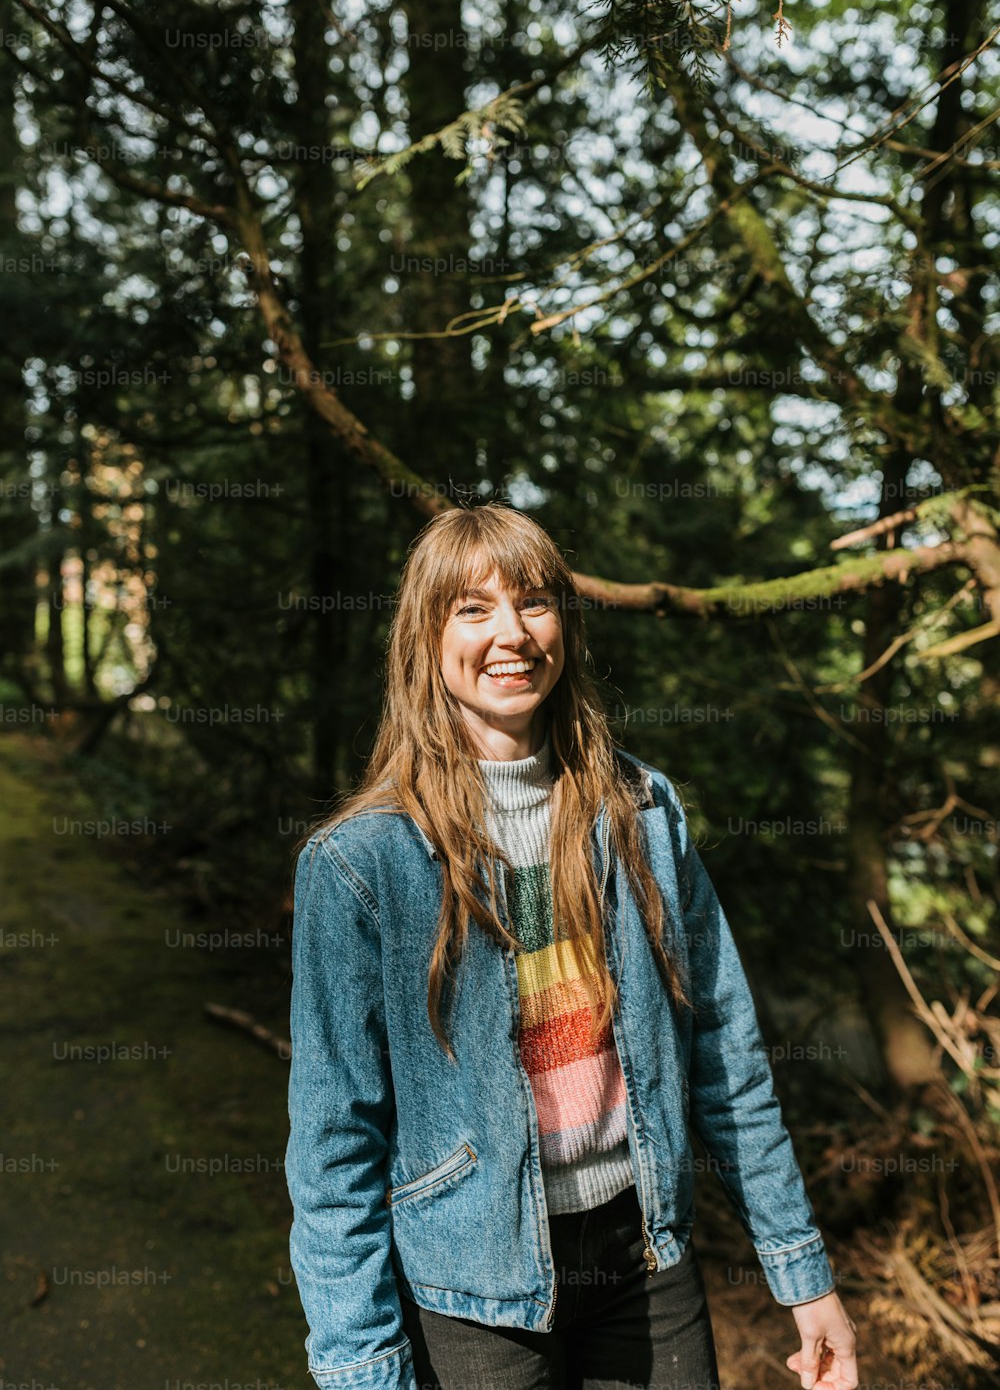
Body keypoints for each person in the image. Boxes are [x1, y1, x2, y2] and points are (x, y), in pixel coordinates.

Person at [285, 503, 859, 1390]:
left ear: (567, 623)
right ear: (425, 640)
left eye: (536, 601)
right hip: (472, 1291)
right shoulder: (361, 865)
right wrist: (361, 1366)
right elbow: (333, 1150)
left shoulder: (641, 809)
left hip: (644, 1260)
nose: (511, 632)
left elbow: (726, 1054)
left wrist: (799, 1269)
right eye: (472, 609)